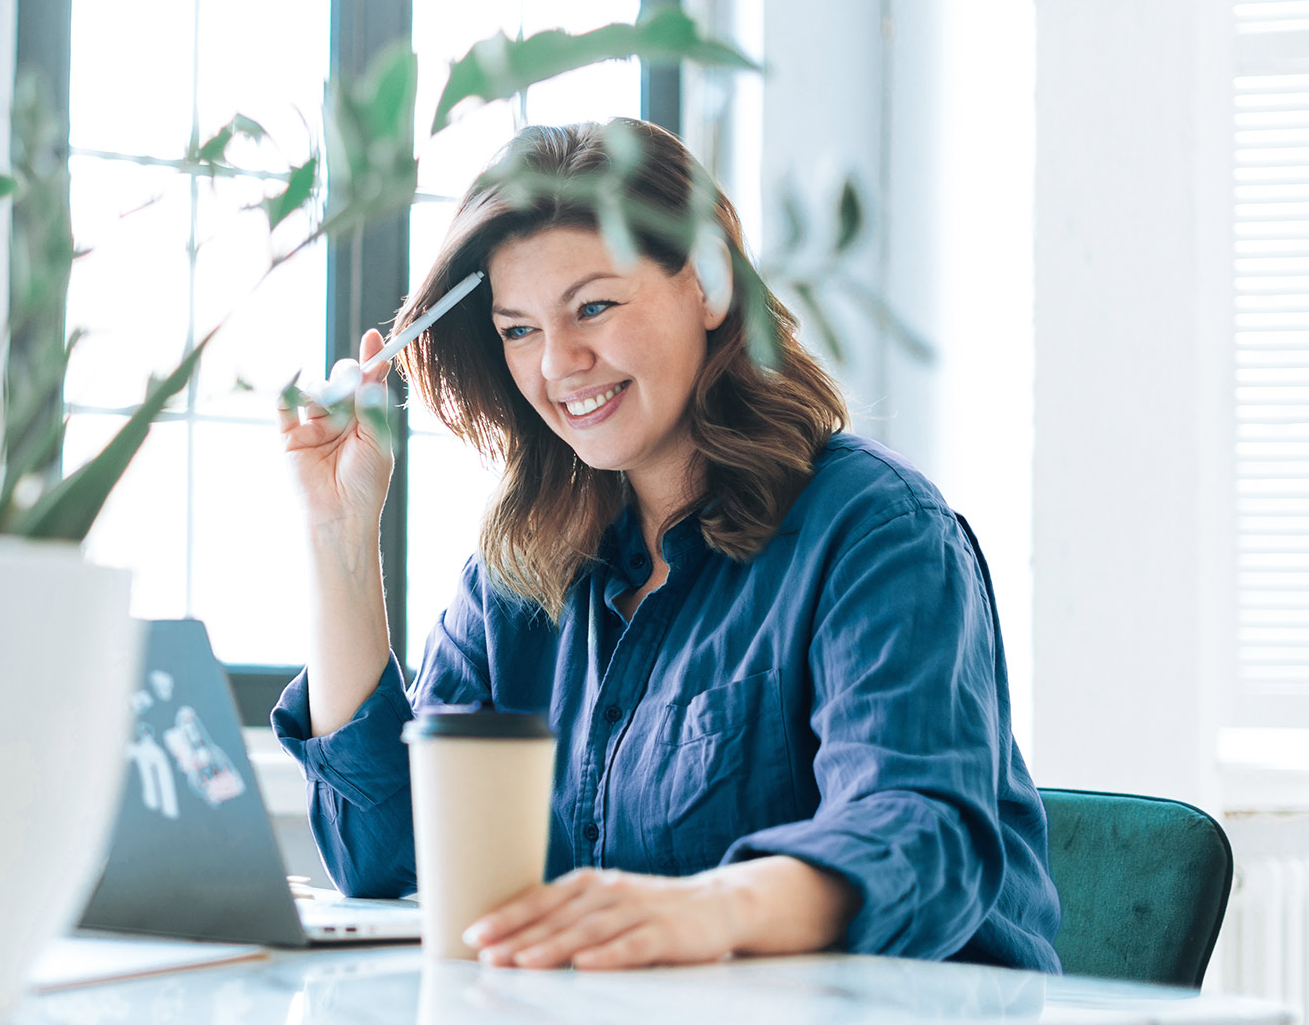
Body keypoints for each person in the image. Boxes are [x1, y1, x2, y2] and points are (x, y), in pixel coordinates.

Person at [271, 118, 1061, 973]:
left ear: (710, 285)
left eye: (595, 307)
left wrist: (711, 910)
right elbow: (387, 857)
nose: (560, 363)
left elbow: (921, 837)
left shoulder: (876, 529)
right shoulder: (520, 569)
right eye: (518, 330)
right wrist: (339, 534)